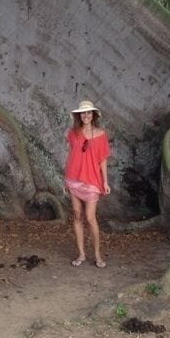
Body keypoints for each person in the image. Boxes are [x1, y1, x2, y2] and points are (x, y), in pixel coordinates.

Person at [64, 100, 111, 268]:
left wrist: (105, 181)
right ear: (79, 115)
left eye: (89, 113)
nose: (86, 115)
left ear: (94, 115)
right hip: (73, 179)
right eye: (83, 113)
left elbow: (103, 159)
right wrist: (65, 178)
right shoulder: (73, 133)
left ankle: (97, 255)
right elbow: (70, 155)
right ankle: (82, 254)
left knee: (90, 218)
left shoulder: (101, 134)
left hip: (91, 181)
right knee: (77, 216)